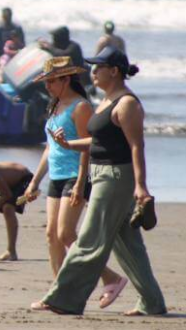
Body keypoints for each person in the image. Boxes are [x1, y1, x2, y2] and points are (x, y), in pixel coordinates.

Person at [32, 46, 166, 316]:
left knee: (90, 238)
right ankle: (152, 302)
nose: (93, 73)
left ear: (114, 71)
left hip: (116, 177)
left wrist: (141, 186)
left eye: (98, 68)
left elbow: (136, 146)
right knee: (128, 244)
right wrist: (69, 144)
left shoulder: (127, 103)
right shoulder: (107, 100)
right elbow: (99, 141)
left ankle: (62, 298)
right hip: (102, 174)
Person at [22, 57, 126, 308]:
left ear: (65, 79)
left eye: (50, 81)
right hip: (56, 178)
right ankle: (58, 293)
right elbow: (49, 148)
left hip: (74, 176)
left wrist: (81, 183)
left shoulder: (80, 107)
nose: (46, 86)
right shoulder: (54, 105)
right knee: (51, 235)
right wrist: (35, 181)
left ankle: (111, 278)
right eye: (45, 81)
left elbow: (87, 148)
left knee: (66, 233)